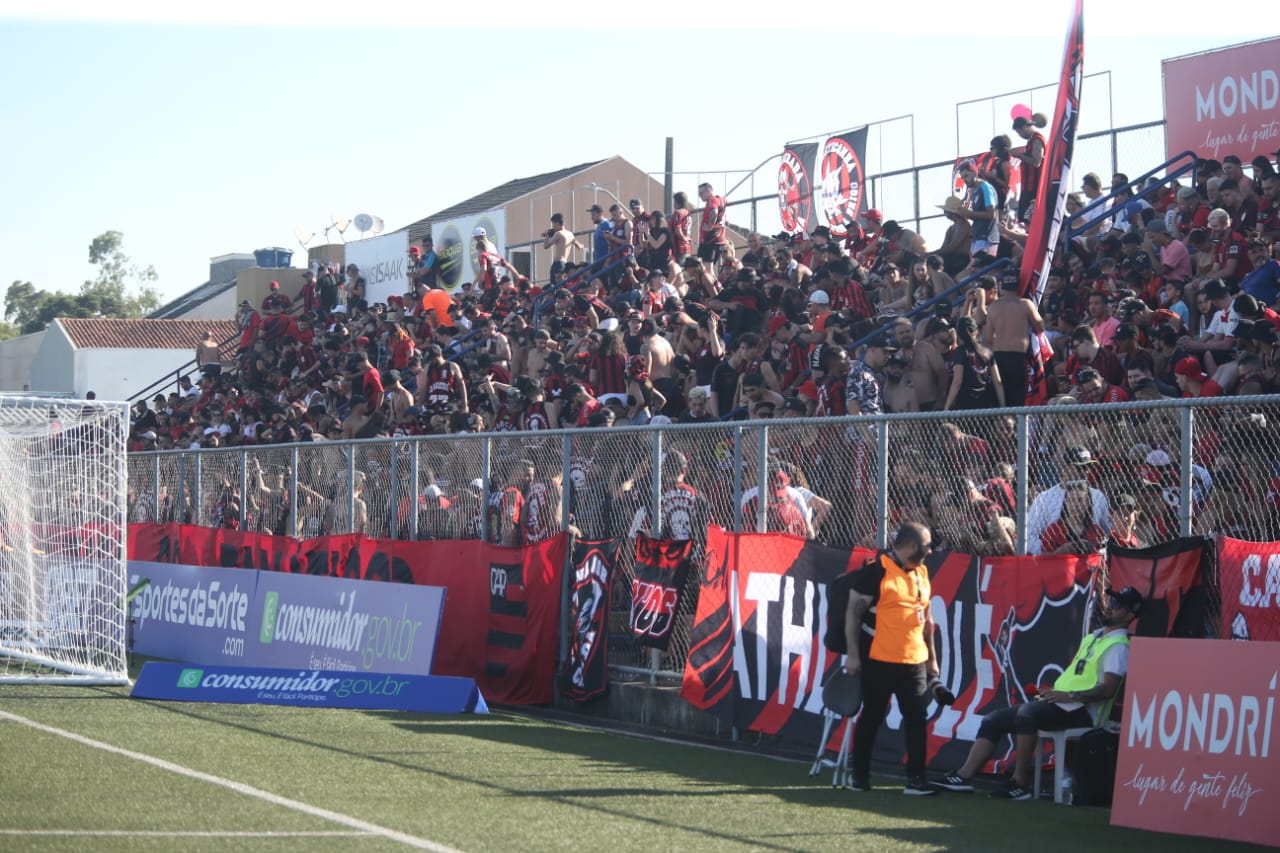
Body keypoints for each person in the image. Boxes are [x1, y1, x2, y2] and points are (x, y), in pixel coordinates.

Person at [936, 586, 1143, 800]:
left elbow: (1108, 689)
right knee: (993, 719)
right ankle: (964, 776)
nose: (1109, 607)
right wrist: (1057, 692)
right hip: (1065, 703)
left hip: (1085, 711)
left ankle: (1019, 783)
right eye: (1110, 603)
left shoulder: (1119, 646)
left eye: (1117, 605)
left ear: (1129, 615)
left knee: (1028, 714)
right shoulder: (1093, 638)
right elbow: (1079, 675)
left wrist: (1070, 695)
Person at [843, 521, 940, 796]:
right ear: (911, 546)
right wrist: (852, 655)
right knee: (872, 715)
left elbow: (927, 618)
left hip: (914, 660)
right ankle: (859, 776)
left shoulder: (921, 572)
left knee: (917, 718)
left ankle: (916, 779)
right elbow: (853, 613)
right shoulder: (876, 572)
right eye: (926, 545)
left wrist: (932, 658)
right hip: (879, 658)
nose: (930, 551)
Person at [542, 213, 582, 285]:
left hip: (557, 263)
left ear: (557, 223)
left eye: (553, 224)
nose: (553, 227)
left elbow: (545, 246)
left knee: (554, 285)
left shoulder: (558, 234)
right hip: (564, 264)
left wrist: (547, 236)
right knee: (562, 285)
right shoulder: (570, 234)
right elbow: (579, 246)